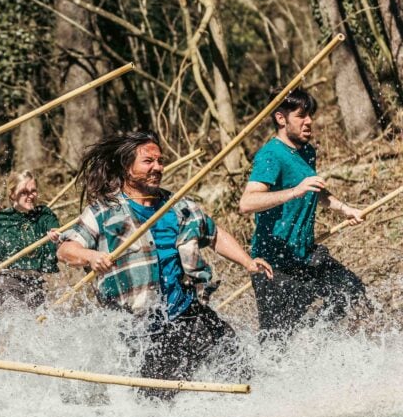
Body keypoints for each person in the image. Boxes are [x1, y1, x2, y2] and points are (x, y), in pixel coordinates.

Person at [57, 132, 272, 397]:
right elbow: (66, 249)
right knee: (157, 401)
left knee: (239, 372)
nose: (158, 167)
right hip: (141, 325)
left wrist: (248, 262)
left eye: (160, 161)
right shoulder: (104, 210)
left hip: (189, 312)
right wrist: (91, 257)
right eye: (148, 161)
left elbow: (214, 234)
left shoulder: (179, 205)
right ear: (127, 167)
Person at [239, 88, 366, 342]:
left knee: (351, 292)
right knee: (277, 343)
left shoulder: (307, 151)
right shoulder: (270, 155)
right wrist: (293, 191)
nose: (309, 121)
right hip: (274, 265)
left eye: (311, 115)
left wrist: (343, 208)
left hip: (305, 255)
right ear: (281, 118)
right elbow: (247, 202)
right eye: (301, 115)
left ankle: (315, 344)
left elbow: (313, 190)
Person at [0, 170, 60, 308]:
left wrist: (55, 235)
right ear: (12, 194)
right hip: (7, 281)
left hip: (36, 282)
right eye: (24, 192)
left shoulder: (44, 214)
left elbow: (54, 229)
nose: (30, 196)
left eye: (33, 191)